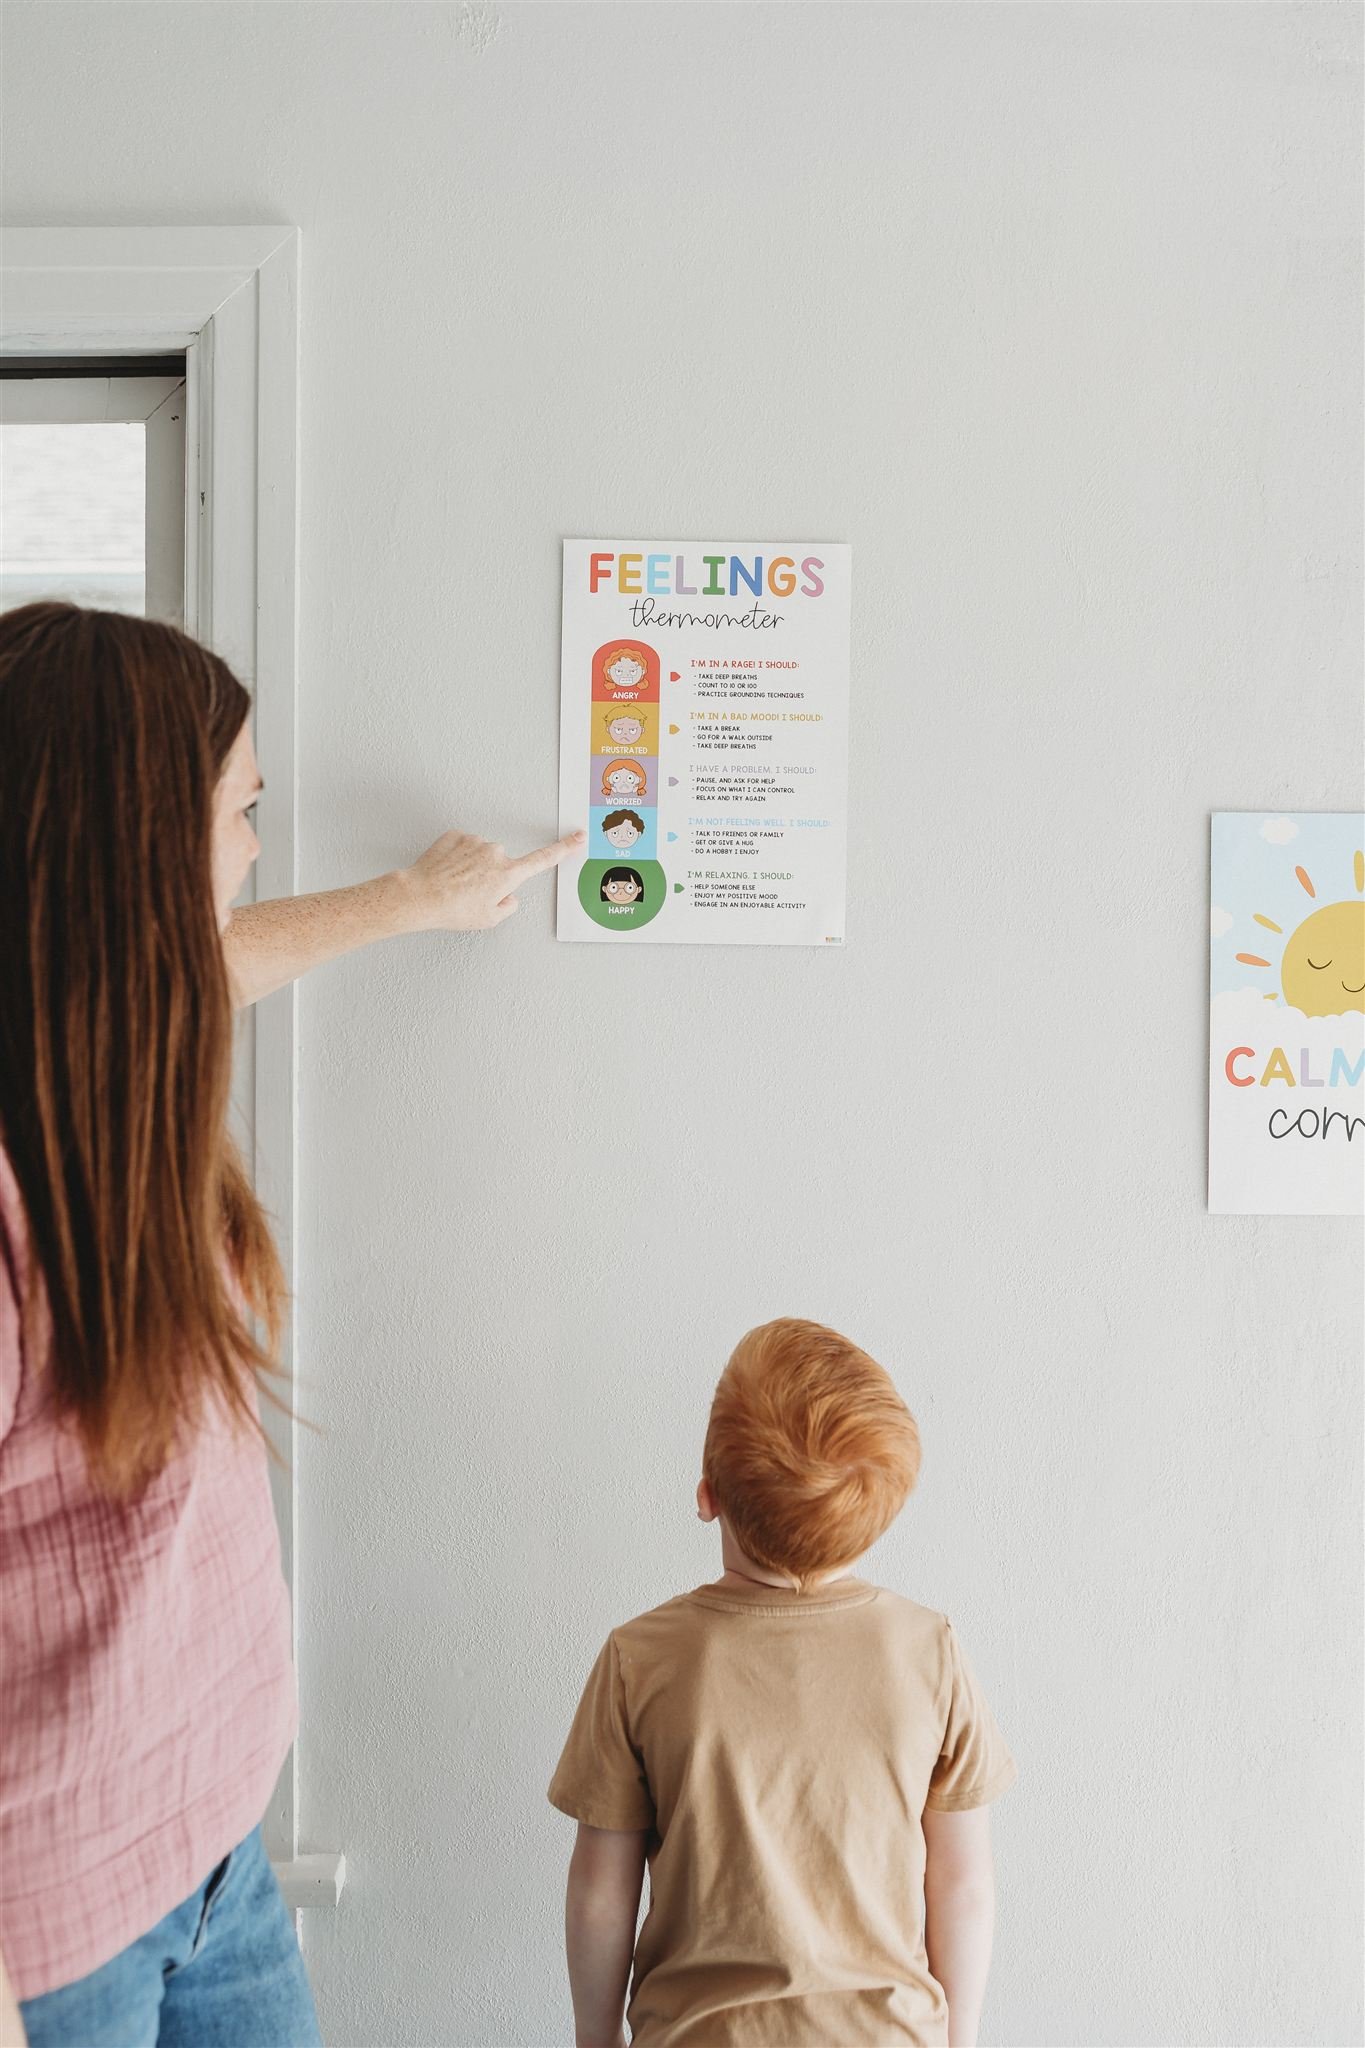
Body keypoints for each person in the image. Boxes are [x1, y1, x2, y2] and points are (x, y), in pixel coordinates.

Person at [0, 602, 582, 2048]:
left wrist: (414, 900)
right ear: (131, 842)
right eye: (239, 810)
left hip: (210, 1857)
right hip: (49, 1943)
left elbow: (220, 960)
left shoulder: (90, 1048)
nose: (254, 848)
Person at [548, 1317, 1016, 2048]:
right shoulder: (930, 1652)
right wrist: (961, 2037)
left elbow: (602, 1896)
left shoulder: (640, 1659)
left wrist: (594, 2039)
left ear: (707, 1495)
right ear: (873, 1521)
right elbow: (961, 1884)